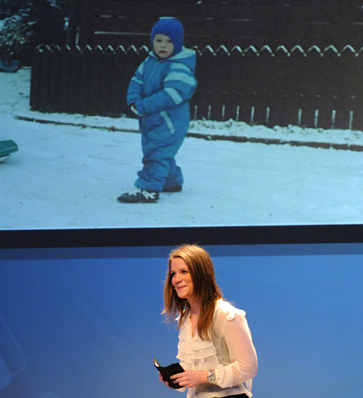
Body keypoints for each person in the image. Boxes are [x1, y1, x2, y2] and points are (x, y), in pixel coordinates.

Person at [160, 244, 258, 398]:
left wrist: (202, 376)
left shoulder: (226, 315)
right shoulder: (186, 317)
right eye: (173, 273)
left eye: (184, 272)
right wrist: (177, 378)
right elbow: (197, 367)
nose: (176, 279)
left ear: (201, 274)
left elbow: (248, 367)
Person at [118, 18, 197, 203]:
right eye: (159, 40)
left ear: (178, 43)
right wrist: (134, 101)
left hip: (170, 122)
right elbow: (136, 81)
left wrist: (144, 106)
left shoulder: (180, 66)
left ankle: (148, 188)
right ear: (152, 41)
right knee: (159, 151)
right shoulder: (149, 62)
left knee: (156, 152)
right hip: (152, 119)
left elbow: (171, 94)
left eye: (169, 42)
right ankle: (171, 181)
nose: (163, 46)